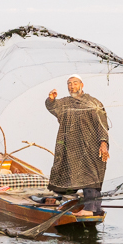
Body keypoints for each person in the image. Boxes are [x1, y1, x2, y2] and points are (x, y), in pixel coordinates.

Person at [46, 75, 109, 216]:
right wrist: (51, 99)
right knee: (76, 176)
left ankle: (89, 210)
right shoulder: (64, 103)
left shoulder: (93, 103)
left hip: (92, 146)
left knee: (92, 176)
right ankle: (94, 208)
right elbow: (53, 107)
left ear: (82, 85)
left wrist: (103, 143)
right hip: (73, 148)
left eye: (75, 83)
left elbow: (102, 125)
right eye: (69, 84)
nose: (72, 86)